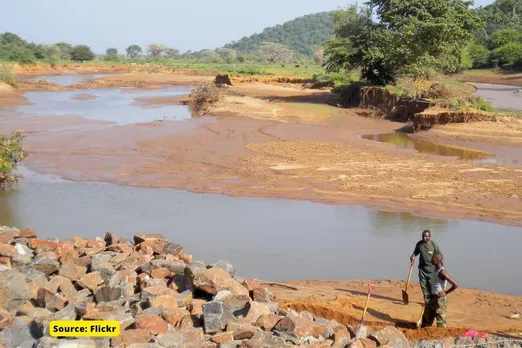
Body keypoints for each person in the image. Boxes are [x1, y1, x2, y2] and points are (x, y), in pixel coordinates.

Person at [421, 253, 458, 328]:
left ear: (438, 260)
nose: (431, 259)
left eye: (433, 258)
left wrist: (445, 292)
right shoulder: (435, 269)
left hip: (440, 299)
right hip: (432, 298)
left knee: (440, 321)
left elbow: (455, 285)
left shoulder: (442, 272)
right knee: (426, 319)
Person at [410, 230, 441, 303]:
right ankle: (427, 301)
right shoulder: (419, 244)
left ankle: (433, 301)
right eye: (424, 236)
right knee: (423, 286)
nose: (425, 238)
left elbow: (439, 256)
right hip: (422, 269)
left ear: (430, 237)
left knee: (431, 287)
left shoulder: (433, 244)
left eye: (427, 236)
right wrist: (413, 256)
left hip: (432, 270)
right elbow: (415, 252)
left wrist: (440, 268)